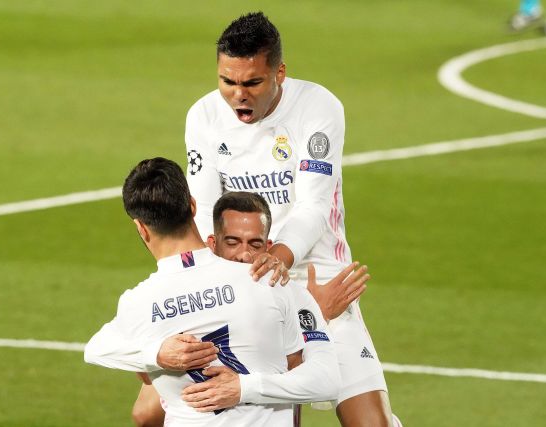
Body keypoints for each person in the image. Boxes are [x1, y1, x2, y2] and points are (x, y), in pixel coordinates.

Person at [185, 12, 396, 426]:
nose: (237, 96)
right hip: (244, 284)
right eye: (227, 82)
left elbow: (314, 206)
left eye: (251, 83)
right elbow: (209, 223)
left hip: (316, 277)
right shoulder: (204, 117)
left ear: (279, 72)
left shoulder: (317, 107)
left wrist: (280, 259)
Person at [84, 158, 341, 426]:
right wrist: (245, 388)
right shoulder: (272, 281)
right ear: (193, 207)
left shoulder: (137, 305)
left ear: (141, 228)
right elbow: (327, 380)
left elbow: (95, 349)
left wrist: (155, 353)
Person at [132, 191, 370, 426]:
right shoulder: (186, 292)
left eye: (254, 244)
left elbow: (318, 378)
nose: (244, 255)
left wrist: (313, 315)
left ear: (268, 248)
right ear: (213, 245)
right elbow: (145, 399)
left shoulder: (282, 293)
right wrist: (156, 354)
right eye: (232, 242)